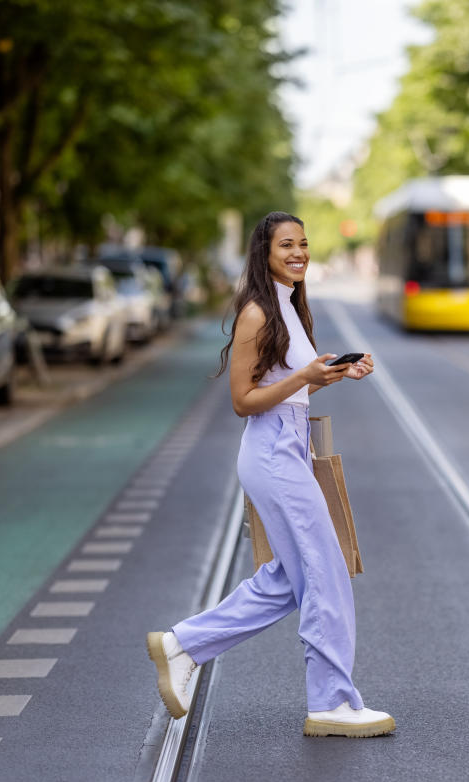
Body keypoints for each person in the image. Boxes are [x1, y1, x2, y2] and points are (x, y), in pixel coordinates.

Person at [147, 211, 394, 738]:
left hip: (290, 445)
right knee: (325, 569)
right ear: (264, 253)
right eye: (286, 245)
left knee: (289, 578)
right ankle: (331, 702)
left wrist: (330, 375)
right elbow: (243, 401)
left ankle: (182, 645)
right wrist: (304, 375)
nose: (298, 252)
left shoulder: (291, 309)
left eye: (303, 244)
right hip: (271, 452)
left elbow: (292, 390)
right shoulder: (257, 313)